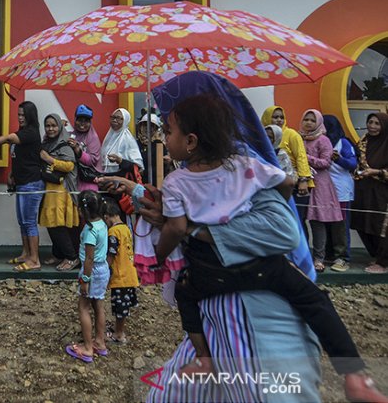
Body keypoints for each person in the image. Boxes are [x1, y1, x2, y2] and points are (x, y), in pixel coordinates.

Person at [136, 71, 383, 403]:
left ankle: (353, 376)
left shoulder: (241, 166)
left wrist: (187, 227)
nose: (164, 136)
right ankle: (354, 374)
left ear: (195, 136)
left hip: (256, 315)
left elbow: (280, 229)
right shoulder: (237, 168)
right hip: (219, 315)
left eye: (168, 126)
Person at [0, 101, 43, 272]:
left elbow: (8, 139)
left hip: (32, 183)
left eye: (23, 115)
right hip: (21, 183)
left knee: (29, 222)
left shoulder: (31, 133)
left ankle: (34, 259)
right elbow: (19, 157)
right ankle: (26, 253)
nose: (20, 118)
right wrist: (12, 175)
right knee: (22, 222)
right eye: (19, 114)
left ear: (30, 116)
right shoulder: (23, 132)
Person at [64, 190, 109, 363]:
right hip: (103, 268)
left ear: (83, 211)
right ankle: (100, 342)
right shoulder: (102, 224)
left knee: (83, 307)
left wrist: (85, 280)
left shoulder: (90, 230)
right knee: (99, 305)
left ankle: (88, 348)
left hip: (92, 271)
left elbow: (89, 258)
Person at [299, 109, 344, 273]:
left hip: (320, 185)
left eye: (312, 120)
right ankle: (303, 256)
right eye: (306, 119)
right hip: (301, 184)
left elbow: (326, 162)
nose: (309, 123)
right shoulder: (299, 138)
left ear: (318, 123)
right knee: (301, 220)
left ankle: (319, 258)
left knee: (318, 222)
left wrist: (304, 157)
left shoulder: (323, 140)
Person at [39, 113, 80, 271]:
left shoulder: (64, 144)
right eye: (48, 126)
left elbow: (69, 165)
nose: (50, 129)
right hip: (50, 188)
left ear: (60, 127)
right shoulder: (48, 143)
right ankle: (58, 254)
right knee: (51, 223)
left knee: (57, 225)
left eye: (54, 125)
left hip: (61, 191)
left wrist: (50, 160)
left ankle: (71, 258)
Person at [261, 105, 312, 222]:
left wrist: (303, 180)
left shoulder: (291, 134)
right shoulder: (261, 134)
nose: (279, 120)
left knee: (295, 220)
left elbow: (301, 156)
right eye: (275, 117)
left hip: (293, 182)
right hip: (269, 185)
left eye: (281, 117)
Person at [352, 112, 388, 274]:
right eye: (370, 122)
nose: (372, 126)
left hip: (382, 192)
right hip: (364, 190)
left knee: (381, 226)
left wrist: (377, 172)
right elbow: (355, 160)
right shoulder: (364, 141)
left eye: (377, 123)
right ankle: (375, 255)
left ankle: (383, 262)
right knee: (363, 222)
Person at [102, 199, 138, 344]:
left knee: (120, 307)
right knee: (123, 305)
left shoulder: (113, 232)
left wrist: (105, 271)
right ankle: (118, 329)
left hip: (120, 276)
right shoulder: (125, 228)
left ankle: (119, 334)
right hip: (130, 273)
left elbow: (112, 253)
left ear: (106, 217)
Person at [323, 114, 357, 270]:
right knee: (325, 223)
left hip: (340, 190)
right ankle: (329, 255)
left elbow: (352, 163)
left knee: (340, 224)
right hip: (323, 190)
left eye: (326, 125)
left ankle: (343, 257)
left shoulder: (342, 142)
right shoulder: (319, 142)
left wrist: (339, 159)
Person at [67, 104, 101, 193]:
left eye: (86, 121)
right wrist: (59, 126)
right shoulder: (70, 135)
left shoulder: (93, 138)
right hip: (72, 181)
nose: (82, 123)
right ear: (75, 120)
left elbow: (93, 160)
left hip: (87, 183)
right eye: (80, 120)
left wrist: (78, 150)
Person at [100, 107, 143, 174]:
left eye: (118, 118)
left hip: (122, 179)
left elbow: (137, 166)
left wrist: (120, 160)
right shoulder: (108, 137)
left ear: (125, 120)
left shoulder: (128, 139)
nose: (114, 120)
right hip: (106, 177)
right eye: (112, 117)